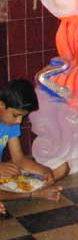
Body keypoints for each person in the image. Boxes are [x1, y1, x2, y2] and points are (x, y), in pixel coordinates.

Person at [0, 80, 69, 215]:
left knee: (61, 168)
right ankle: (34, 194)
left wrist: (44, 171)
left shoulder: (11, 125)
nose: (19, 121)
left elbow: (18, 159)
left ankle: (27, 191)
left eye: (22, 116)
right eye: (16, 115)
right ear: (1, 105)